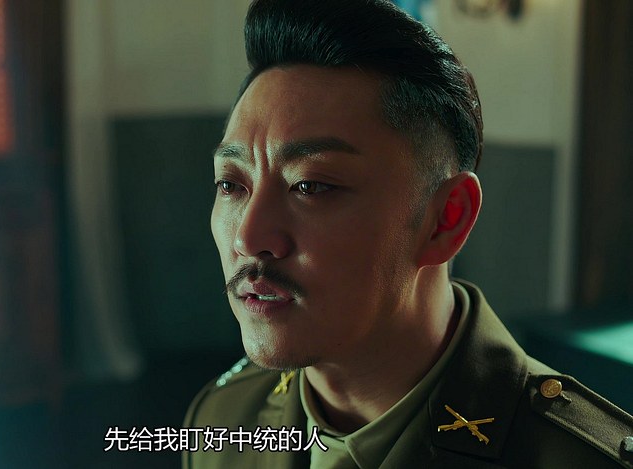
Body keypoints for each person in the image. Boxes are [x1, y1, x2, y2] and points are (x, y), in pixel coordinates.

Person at [182, 0, 633, 467]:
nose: (248, 237)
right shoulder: (225, 420)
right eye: (230, 185)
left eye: (310, 186)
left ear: (446, 219)